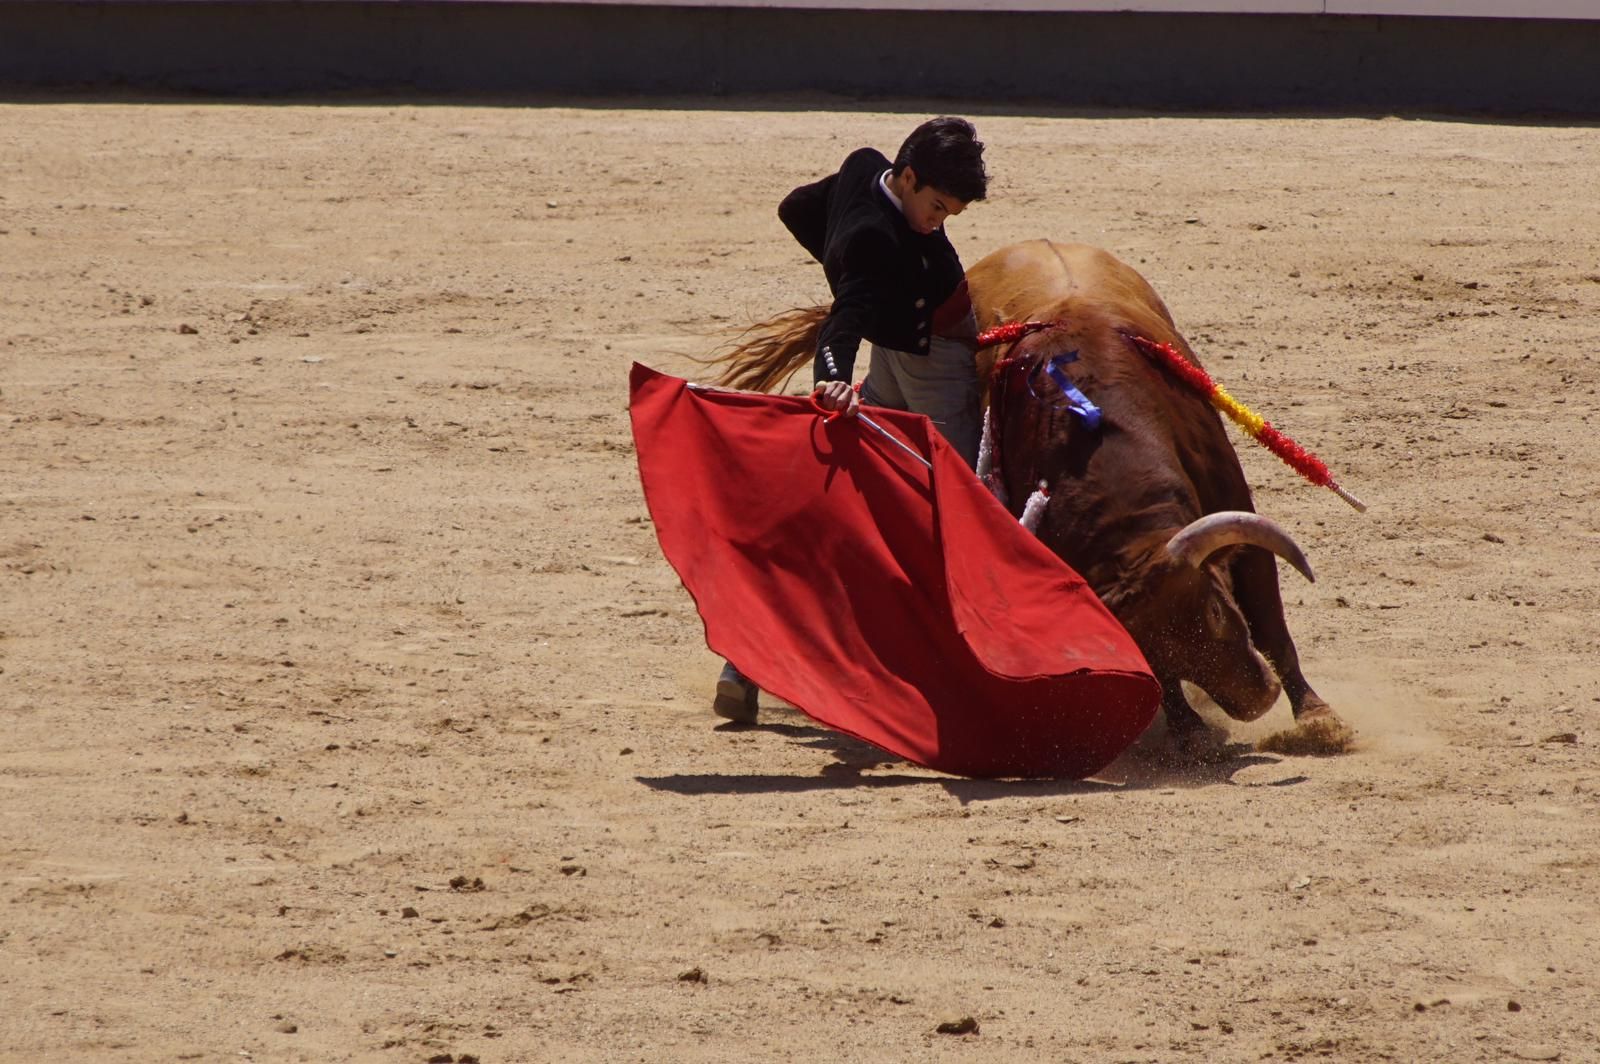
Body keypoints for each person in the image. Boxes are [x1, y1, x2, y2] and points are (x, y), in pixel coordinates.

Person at [714, 116, 990, 724]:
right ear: (910, 177)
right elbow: (842, 327)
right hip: (933, 367)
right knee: (964, 506)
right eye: (937, 208)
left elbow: (795, 208)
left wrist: (856, 283)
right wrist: (834, 372)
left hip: (894, 363)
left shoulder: (865, 165)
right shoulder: (876, 240)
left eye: (949, 217)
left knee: (852, 497)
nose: (937, 223)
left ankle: (746, 658)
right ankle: (956, 663)